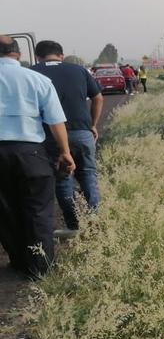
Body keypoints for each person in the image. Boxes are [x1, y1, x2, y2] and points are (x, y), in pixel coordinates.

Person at [0, 35, 75, 278]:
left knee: (5, 211)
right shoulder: (37, 79)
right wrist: (65, 153)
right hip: (30, 153)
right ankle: (40, 267)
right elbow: (55, 121)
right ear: (18, 54)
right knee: (39, 211)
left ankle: (19, 260)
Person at [31, 40, 103, 232]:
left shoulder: (32, 72)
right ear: (61, 55)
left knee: (63, 178)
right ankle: (96, 222)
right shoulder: (79, 70)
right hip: (82, 132)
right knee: (88, 174)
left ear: (38, 56)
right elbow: (98, 97)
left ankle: (73, 225)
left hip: (51, 135)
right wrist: (93, 125)